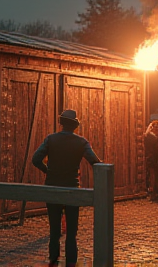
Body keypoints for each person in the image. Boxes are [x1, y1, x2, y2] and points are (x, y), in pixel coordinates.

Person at [32, 109, 101, 267]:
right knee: (72, 229)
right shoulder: (82, 142)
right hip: (72, 187)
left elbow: (36, 159)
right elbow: (95, 162)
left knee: (54, 227)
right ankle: (71, 260)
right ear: (75, 126)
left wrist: (48, 171)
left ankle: (53, 258)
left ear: (62, 124)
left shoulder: (50, 139)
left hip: (52, 186)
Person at [144, 120, 158, 201]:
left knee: (155, 176)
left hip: (154, 158)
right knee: (154, 176)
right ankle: (153, 193)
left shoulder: (152, 137)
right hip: (153, 158)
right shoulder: (151, 137)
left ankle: (155, 193)